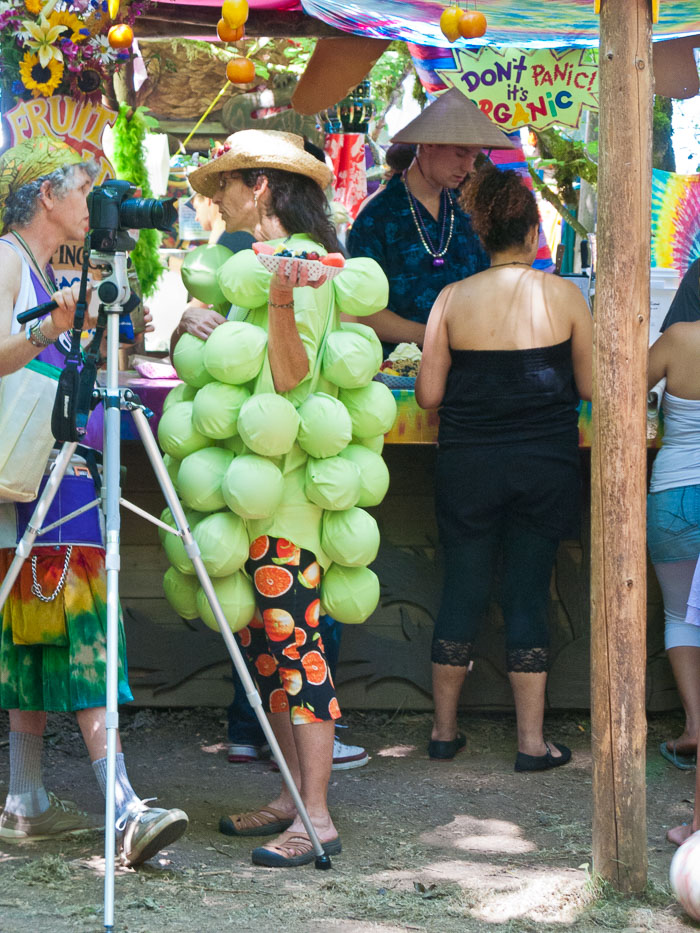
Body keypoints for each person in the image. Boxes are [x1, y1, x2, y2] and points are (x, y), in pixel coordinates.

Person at [181, 129, 388, 865]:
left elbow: (294, 378)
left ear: (261, 187)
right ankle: (289, 795)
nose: (217, 200)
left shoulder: (303, 269)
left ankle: (319, 815)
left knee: (300, 659)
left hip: (290, 506)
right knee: (270, 659)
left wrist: (272, 302)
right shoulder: (261, 268)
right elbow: (239, 371)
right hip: (254, 503)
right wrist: (198, 323)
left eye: (227, 185)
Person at [0, 137, 188, 866]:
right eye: (84, 189)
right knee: (84, 625)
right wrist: (53, 323)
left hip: (35, 477)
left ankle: (27, 798)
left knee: (31, 624)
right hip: (45, 475)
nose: (95, 204)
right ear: (47, 194)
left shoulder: (38, 263)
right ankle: (122, 809)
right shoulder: (11, 260)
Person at [415, 163, 592, 769]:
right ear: (535, 233)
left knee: (461, 587)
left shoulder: (451, 300)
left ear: (483, 236)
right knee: (527, 595)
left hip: (467, 466)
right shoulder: (565, 296)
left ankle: (442, 733)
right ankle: (530, 744)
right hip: (545, 466)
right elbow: (590, 385)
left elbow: (428, 397)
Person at [346, 88, 515, 355]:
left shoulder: (470, 208)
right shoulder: (376, 217)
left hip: (470, 360)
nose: (468, 167)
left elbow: (490, 281)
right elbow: (362, 310)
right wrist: (435, 337)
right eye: (461, 154)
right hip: (399, 368)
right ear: (428, 145)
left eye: (474, 156)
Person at [647, 318, 700, 769]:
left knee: (680, 614)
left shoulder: (679, 338)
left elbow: (621, 387)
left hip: (677, 493)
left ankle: (694, 726)